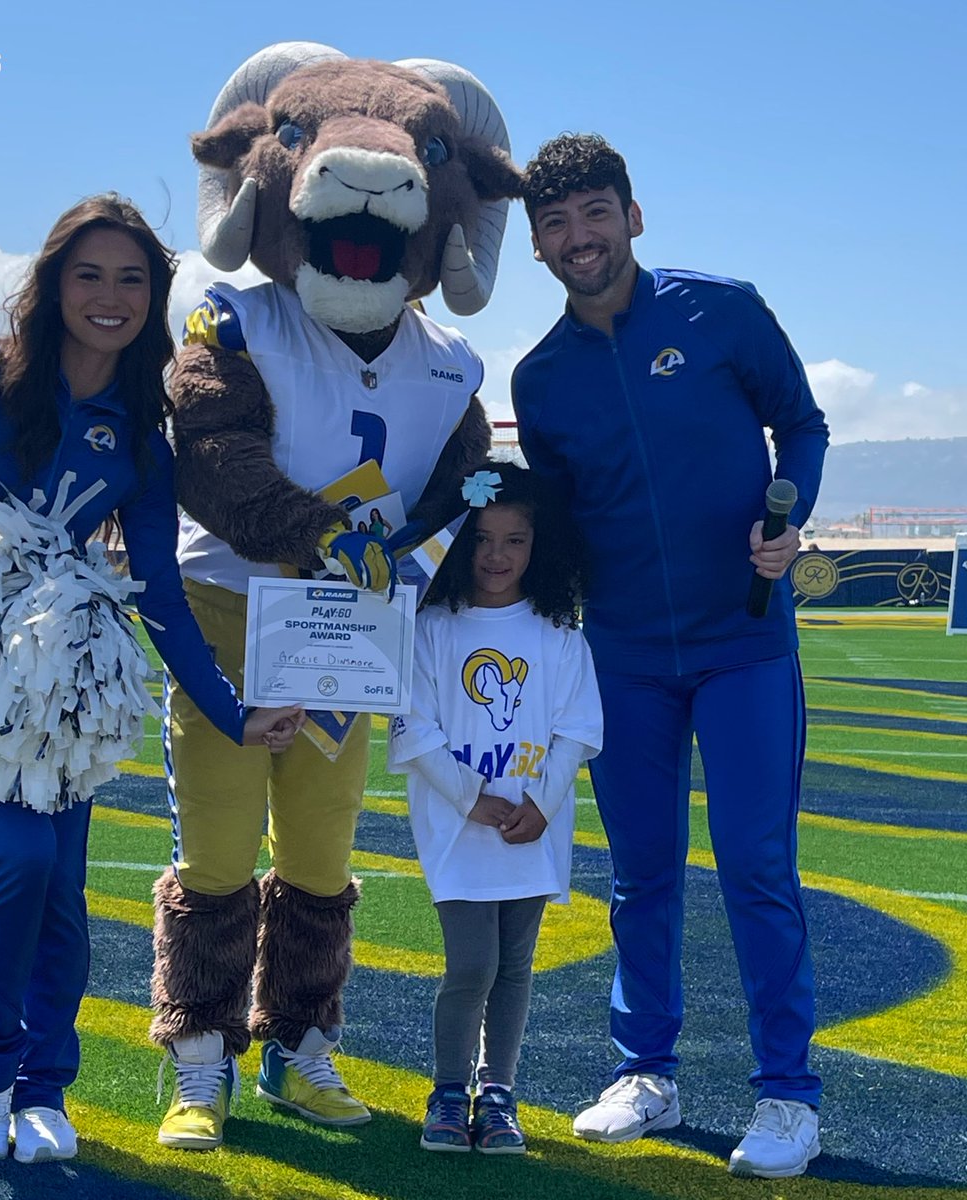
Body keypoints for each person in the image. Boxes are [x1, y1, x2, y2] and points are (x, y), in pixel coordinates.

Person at [0, 194, 302, 1166]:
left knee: (62, 890)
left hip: (60, 683)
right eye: (89, 274)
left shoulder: (138, 430)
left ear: (153, 298)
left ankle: (42, 1087)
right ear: (53, 282)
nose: (108, 296)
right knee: (18, 860)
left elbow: (157, 592)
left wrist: (233, 714)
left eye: (131, 279)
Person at [512, 134, 829, 1179]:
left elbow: (805, 426)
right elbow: (552, 526)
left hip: (745, 644)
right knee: (642, 875)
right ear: (536, 245)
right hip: (624, 657)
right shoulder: (542, 378)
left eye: (595, 214)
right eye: (554, 224)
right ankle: (644, 1070)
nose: (578, 238)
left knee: (756, 868)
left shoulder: (721, 308)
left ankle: (786, 1093)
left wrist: (793, 526)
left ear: (632, 217)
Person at [388, 462, 602, 1155]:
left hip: (532, 829)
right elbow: (412, 728)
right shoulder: (430, 627)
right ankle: (450, 1090)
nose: (497, 556)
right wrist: (470, 797)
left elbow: (577, 728)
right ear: (457, 540)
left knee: (514, 967)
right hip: (460, 827)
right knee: (471, 964)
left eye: (515, 540)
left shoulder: (558, 633)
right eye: (481, 538)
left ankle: (499, 1092)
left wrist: (541, 803)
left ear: (541, 545)